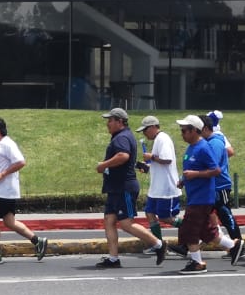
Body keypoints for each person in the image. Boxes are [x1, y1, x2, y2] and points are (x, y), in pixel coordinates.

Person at [94, 107, 166, 268]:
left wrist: (103, 165)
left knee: (126, 223)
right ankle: (113, 258)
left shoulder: (122, 138)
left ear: (120, 122)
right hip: (115, 187)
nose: (108, 124)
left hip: (123, 187)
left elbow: (123, 156)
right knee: (109, 220)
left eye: (110, 120)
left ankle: (159, 245)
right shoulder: (121, 137)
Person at [0, 117, 48, 263]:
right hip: (5, 190)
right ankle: (38, 241)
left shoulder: (7, 144)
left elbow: (21, 162)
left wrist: (3, 174)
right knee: (10, 222)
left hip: (4, 191)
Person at [174, 115, 223, 274]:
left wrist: (195, 174)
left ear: (195, 131)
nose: (182, 134)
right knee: (205, 232)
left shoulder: (203, 147)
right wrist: (183, 179)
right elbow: (191, 169)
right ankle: (234, 245)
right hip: (194, 196)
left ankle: (197, 263)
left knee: (189, 230)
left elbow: (216, 170)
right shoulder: (191, 148)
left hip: (202, 197)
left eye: (184, 131)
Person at [200, 112, 244, 261]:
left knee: (225, 215)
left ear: (205, 128)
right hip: (213, 185)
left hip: (221, 185)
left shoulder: (216, 143)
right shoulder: (210, 142)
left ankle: (238, 243)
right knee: (207, 216)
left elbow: (214, 164)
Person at [136, 115, 181, 250]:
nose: (144, 133)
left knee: (166, 217)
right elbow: (160, 162)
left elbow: (167, 159)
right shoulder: (158, 140)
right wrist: (147, 165)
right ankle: (158, 244)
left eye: (145, 130)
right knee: (149, 213)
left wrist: (152, 157)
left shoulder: (163, 139)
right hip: (156, 188)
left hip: (166, 188)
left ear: (153, 127)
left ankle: (193, 229)